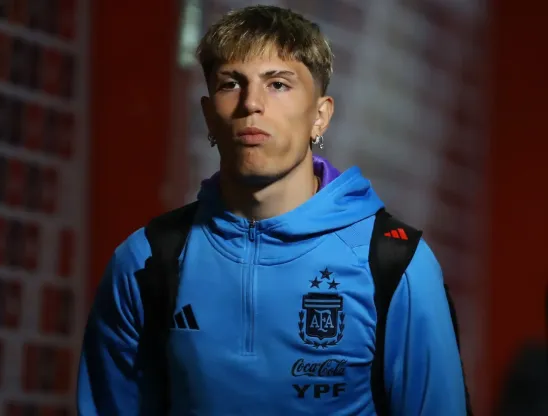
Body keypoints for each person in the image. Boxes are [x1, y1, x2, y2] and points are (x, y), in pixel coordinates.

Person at [78, 5, 468, 415]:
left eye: (278, 84)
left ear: (320, 116)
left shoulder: (393, 263)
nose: (252, 104)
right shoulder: (146, 261)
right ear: (209, 116)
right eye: (231, 84)